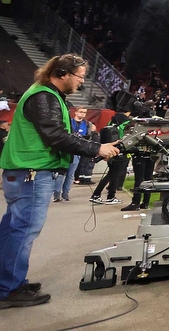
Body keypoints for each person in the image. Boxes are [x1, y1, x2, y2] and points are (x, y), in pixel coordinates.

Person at [0, 54, 120, 308]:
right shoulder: (44, 96)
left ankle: (10, 282)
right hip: (31, 174)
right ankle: (8, 289)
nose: (82, 82)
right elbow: (56, 136)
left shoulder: (43, 93)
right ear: (62, 73)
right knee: (22, 232)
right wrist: (97, 149)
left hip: (24, 173)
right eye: (80, 76)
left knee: (13, 231)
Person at [89, 110, 133, 205]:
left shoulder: (111, 125)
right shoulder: (126, 125)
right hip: (120, 153)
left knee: (110, 175)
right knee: (115, 176)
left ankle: (96, 195)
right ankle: (110, 197)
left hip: (110, 152)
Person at [53, 108, 90, 202]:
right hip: (66, 150)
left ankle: (66, 193)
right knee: (61, 173)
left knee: (70, 174)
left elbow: (88, 136)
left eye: (85, 112)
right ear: (76, 112)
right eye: (81, 111)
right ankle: (56, 194)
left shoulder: (87, 124)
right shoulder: (69, 122)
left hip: (77, 151)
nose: (83, 114)